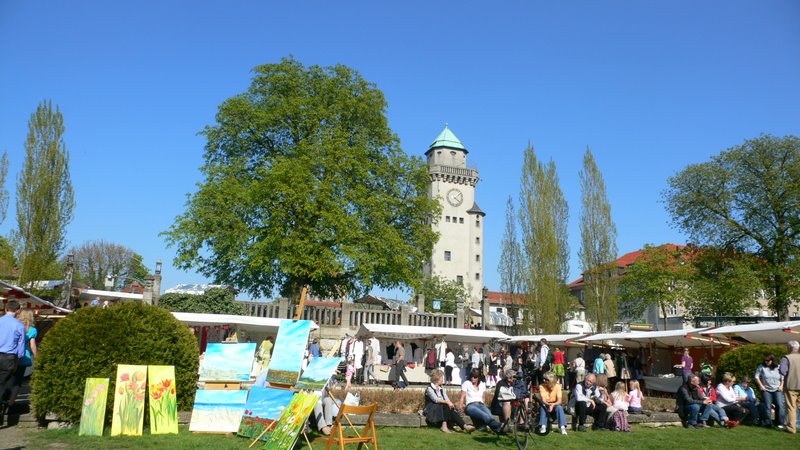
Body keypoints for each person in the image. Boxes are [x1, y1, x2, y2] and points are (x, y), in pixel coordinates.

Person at [424, 369, 473, 433]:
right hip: (431, 409)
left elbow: (446, 398)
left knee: (451, 409)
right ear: (437, 379)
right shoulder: (429, 389)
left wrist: (450, 404)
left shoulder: (441, 387)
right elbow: (436, 400)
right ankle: (444, 427)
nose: (443, 379)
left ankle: (465, 426)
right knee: (445, 404)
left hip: (441, 408)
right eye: (442, 377)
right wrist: (447, 402)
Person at [0, 300, 25, 420]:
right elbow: (21, 348)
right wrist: (17, 362)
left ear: (5, 309)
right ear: (18, 311)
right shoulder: (19, 326)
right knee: (4, 384)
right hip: (9, 357)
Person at [7, 309, 37, 409]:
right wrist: (36, 356)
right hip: (24, 356)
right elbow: (32, 346)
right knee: (18, 381)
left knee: (9, 379)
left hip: (11, 355)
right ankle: (11, 404)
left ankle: (4, 399)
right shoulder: (32, 330)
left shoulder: (14, 325)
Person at [459, 368, 502, 434]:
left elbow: (483, 398)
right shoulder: (467, 383)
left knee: (490, 416)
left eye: (475, 377)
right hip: (470, 406)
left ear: (478, 377)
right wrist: (460, 408)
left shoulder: (482, 384)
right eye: (471, 376)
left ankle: (498, 430)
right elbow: (462, 397)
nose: (473, 378)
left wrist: (484, 406)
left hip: (481, 405)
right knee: (485, 416)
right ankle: (500, 426)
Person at [755, 354, 784, 428]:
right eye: (765, 360)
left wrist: (781, 386)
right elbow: (756, 376)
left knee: (779, 405)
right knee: (768, 406)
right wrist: (761, 385)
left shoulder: (778, 367)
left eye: (768, 360)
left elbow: (782, 377)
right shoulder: (761, 367)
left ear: (772, 360)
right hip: (766, 390)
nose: (766, 362)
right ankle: (768, 423)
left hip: (777, 389)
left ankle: (779, 422)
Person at [779, 340, 800, 433]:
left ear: (789, 348)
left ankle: (791, 428)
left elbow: (782, 371)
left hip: (791, 386)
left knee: (791, 407)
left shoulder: (786, 358)